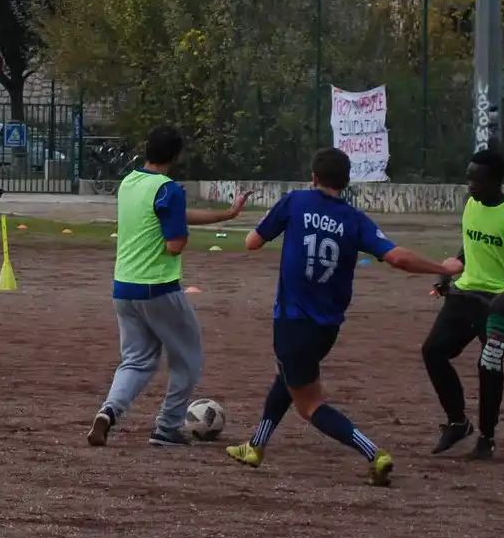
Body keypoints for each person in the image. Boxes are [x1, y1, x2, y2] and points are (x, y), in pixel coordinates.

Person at [224, 148, 462, 482]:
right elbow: (397, 258)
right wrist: (443, 267)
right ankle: (256, 445)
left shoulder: (294, 202)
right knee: (289, 375)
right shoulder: (354, 219)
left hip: (292, 322)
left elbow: (252, 242)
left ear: (313, 178)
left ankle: (373, 453)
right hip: (327, 328)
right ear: (347, 182)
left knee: (309, 404)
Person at [88, 126, 249, 447]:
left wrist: (226, 215)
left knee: (136, 360)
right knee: (188, 358)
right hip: (158, 287)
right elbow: (174, 244)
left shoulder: (130, 182)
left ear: (147, 149)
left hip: (124, 287)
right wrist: (178, 239)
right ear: (175, 156)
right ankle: (167, 427)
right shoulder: (169, 189)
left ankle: (108, 411)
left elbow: (172, 214)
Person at [422, 148, 504, 461]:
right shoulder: (470, 203)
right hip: (465, 294)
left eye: (477, 180)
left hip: (498, 304)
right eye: (469, 179)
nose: (471, 185)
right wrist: (447, 273)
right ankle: (457, 422)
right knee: (433, 352)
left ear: (495, 180)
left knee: (489, 365)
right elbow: (471, 243)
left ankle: (486, 438)